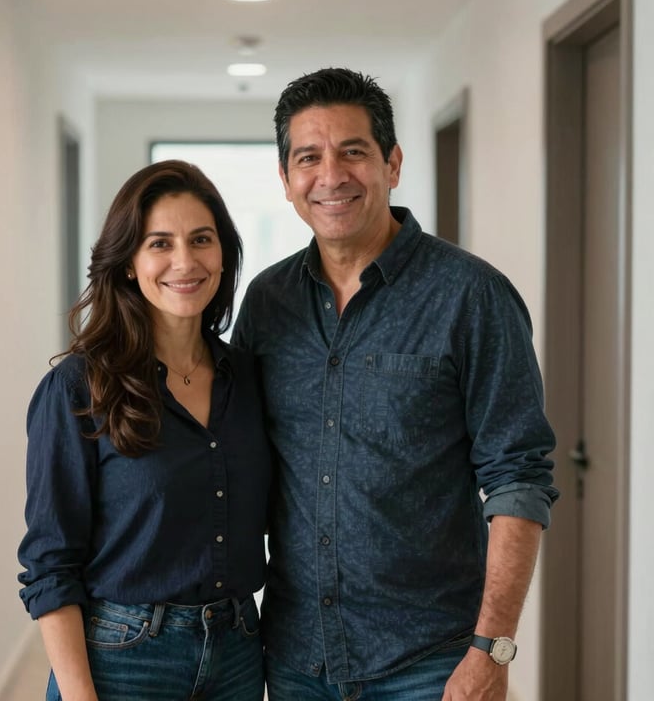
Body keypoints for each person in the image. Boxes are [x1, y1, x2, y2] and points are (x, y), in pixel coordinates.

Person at [231, 68, 559, 701]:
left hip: (430, 663)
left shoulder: (472, 296)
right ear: (286, 179)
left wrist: (492, 648)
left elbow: (518, 476)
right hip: (297, 658)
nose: (331, 176)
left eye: (353, 151)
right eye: (308, 158)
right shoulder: (267, 303)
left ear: (393, 164)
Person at [18, 160, 271, 701]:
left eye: (201, 239)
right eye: (160, 243)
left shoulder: (249, 378)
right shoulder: (78, 387)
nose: (185, 261)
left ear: (223, 254)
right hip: (123, 659)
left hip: (238, 653)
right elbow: (50, 563)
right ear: (130, 263)